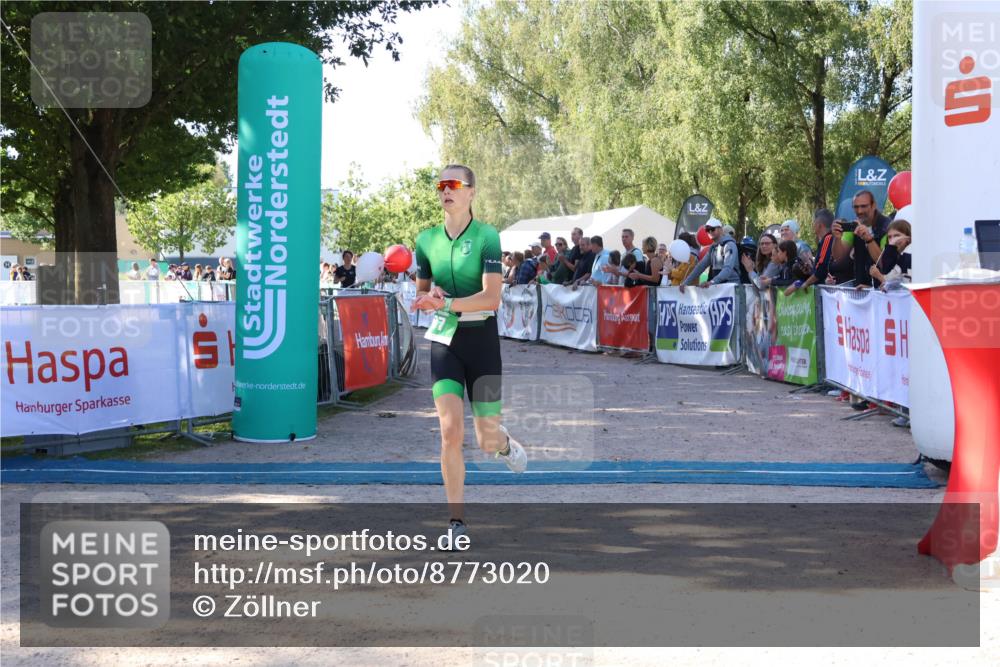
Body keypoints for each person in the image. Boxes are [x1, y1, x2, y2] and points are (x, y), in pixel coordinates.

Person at [409, 164, 527, 543]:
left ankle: (504, 445)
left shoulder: (487, 237)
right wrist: (430, 299)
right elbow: (423, 293)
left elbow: (493, 297)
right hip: (445, 343)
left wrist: (447, 304)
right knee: (449, 432)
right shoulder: (425, 240)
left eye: (454, 184)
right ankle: (456, 522)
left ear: (471, 192)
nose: (446, 190)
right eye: (441, 184)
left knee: (485, 439)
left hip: (482, 340)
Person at [832, 189, 892, 287]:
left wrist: (869, 240)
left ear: (873, 205)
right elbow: (838, 257)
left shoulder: (887, 227)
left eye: (863, 206)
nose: (859, 211)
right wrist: (837, 238)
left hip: (882, 292)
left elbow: (885, 264)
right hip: (860, 290)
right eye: (856, 207)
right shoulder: (854, 226)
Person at [785, 209, 836, 296]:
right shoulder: (825, 240)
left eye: (814, 223)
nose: (812, 225)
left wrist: (806, 283)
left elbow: (821, 269)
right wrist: (810, 271)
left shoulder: (828, 239)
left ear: (820, 225)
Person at [680, 218, 739, 290]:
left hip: (732, 289)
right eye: (707, 230)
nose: (710, 232)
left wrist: (712, 282)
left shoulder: (729, 245)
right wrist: (685, 283)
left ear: (720, 229)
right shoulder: (713, 248)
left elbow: (727, 269)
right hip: (720, 289)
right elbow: (700, 266)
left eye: (712, 229)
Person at [869, 219, 912, 288]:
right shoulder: (892, 255)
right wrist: (868, 288)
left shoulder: (910, 256)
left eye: (897, 236)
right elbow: (885, 284)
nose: (893, 240)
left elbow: (897, 285)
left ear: (908, 238)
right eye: (890, 237)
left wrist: (878, 276)